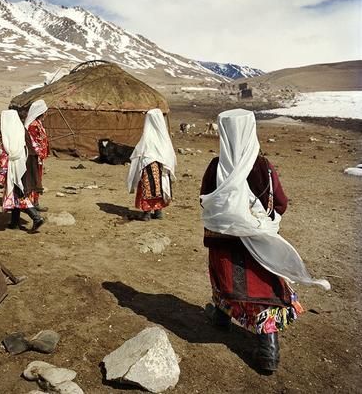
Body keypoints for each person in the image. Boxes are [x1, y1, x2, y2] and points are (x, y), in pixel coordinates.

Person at [200, 108, 330, 372]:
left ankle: (223, 318)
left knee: (225, 281)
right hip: (259, 247)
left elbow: (205, 204)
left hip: (224, 246)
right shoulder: (263, 167)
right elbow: (280, 203)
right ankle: (267, 349)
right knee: (262, 292)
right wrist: (260, 223)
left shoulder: (216, 168)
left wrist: (230, 221)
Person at [0, 110, 45, 232]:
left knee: (19, 193)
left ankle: (36, 217)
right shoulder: (22, 131)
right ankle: (14, 222)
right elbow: (35, 147)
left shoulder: (7, 135)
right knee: (17, 193)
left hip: (15, 168)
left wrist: (1, 173)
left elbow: (4, 155)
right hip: (26, 165)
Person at [127, 108, 176, 220]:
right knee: (160, 187)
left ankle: (147, 213)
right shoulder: (164, 137)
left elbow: (140, 150)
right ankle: (158, 212)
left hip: (148, 165)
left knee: (147, 187)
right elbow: (169, 154)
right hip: (161, 166)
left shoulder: (148, 136)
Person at [23, 99, 50, 212]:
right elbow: (33, 142)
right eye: (44, 112)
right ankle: (31, 203)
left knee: (37, 178)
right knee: (33, 178)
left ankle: (35, 202)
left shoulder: (38, 124)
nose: (45, 114)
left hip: (38, 157)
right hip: (33, 157)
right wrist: (39, 154)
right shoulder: (33, 125)